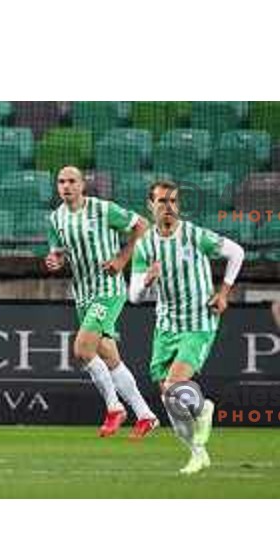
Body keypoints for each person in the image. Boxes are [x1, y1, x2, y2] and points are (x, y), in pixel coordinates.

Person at [129, 180, 244, 474]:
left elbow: (236, 253)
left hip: (199, 321)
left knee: (174, 385)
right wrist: (147, 281)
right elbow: (133, 297)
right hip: (166, 326)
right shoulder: (144, 246)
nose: (169, 207)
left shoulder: (193, 235)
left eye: (173, 201)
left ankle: (204, 408)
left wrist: (223, 293)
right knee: (170, 400)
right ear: (150, 206)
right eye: (162, 201)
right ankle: (197, 452)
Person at [45, 166, 158, 437]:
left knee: (82, 350)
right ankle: (146, 414)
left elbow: (143, 226)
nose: (66, 186)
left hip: (108, 289)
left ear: (82, 185)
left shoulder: (103, 209)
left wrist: (121, 259)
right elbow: (58, 253)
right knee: (110, 358)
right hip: (82, 294)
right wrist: (54, 260)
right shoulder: (55, 219)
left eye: (72, 181)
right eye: (61, 182)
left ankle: (114, 408)